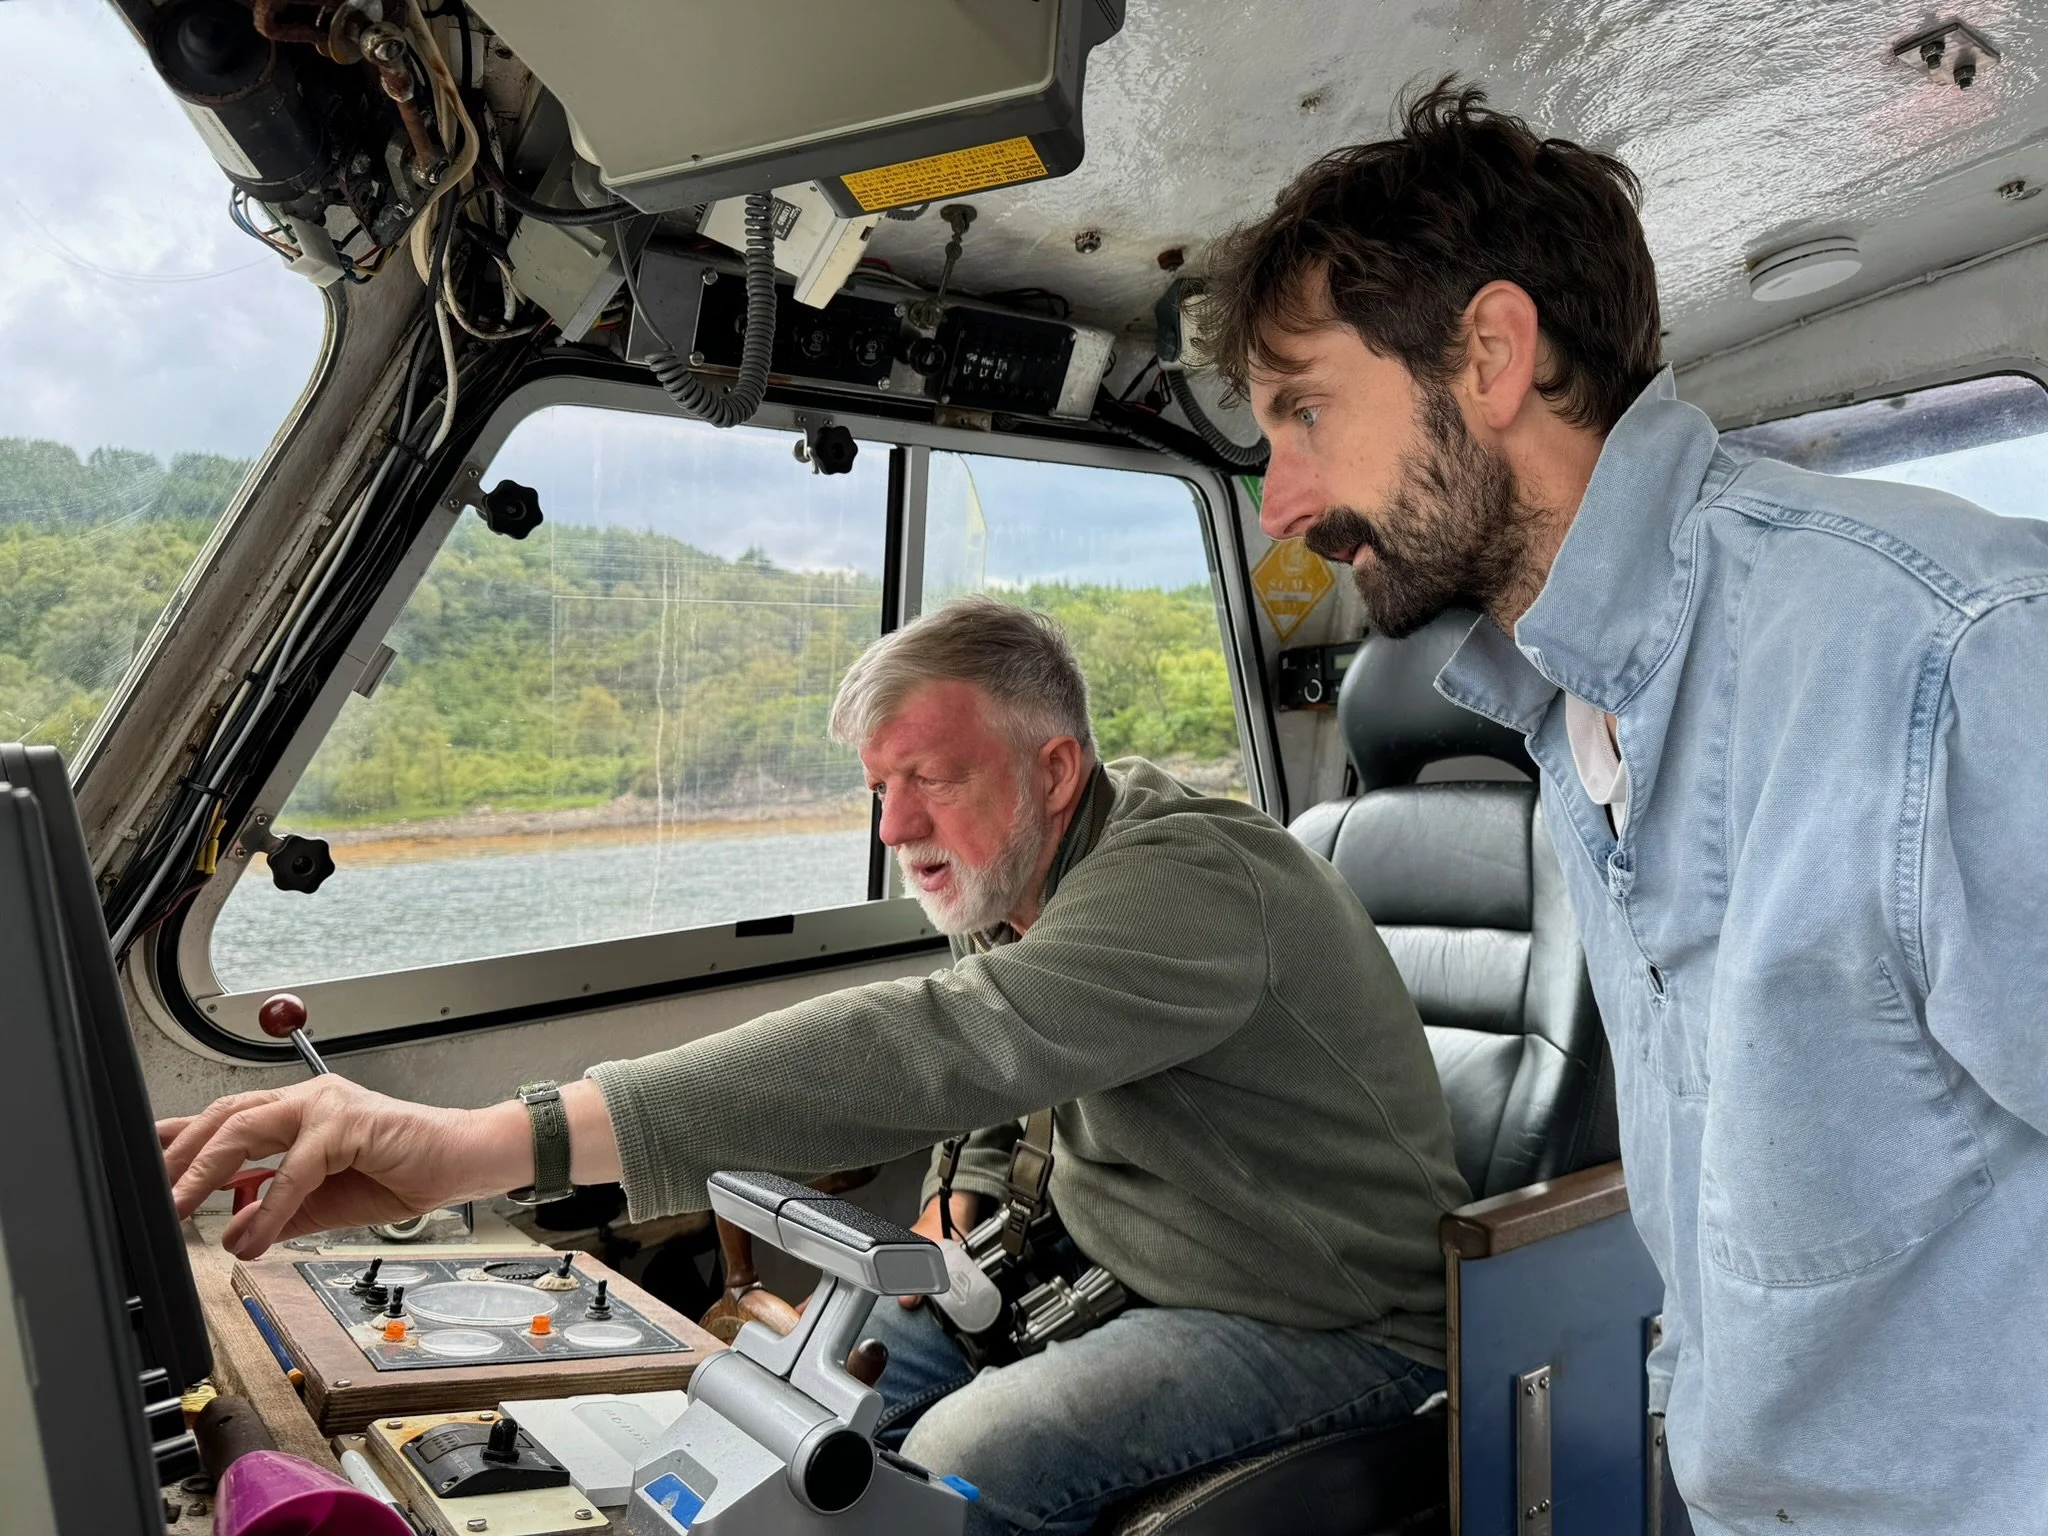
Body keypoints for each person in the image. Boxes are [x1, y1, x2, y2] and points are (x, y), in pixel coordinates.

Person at [1199, 77, 2048, 1536]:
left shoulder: (1939, 650)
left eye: (1307, 411)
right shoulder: (1562, 704)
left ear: (1491, 354)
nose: (1280, 499)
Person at [161, 594, 1467, 1536]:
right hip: (1117, 1271)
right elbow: (1004, 1050)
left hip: (1331, 1320)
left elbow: (948, 1039)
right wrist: (963, 1199)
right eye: (876, 788)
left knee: (961, 1458)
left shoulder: (1189, 876)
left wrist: (484, 1143)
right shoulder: (1047, 877)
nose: (896, 828)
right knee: (800, 1410)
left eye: (932, 782)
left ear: (1055, 768)